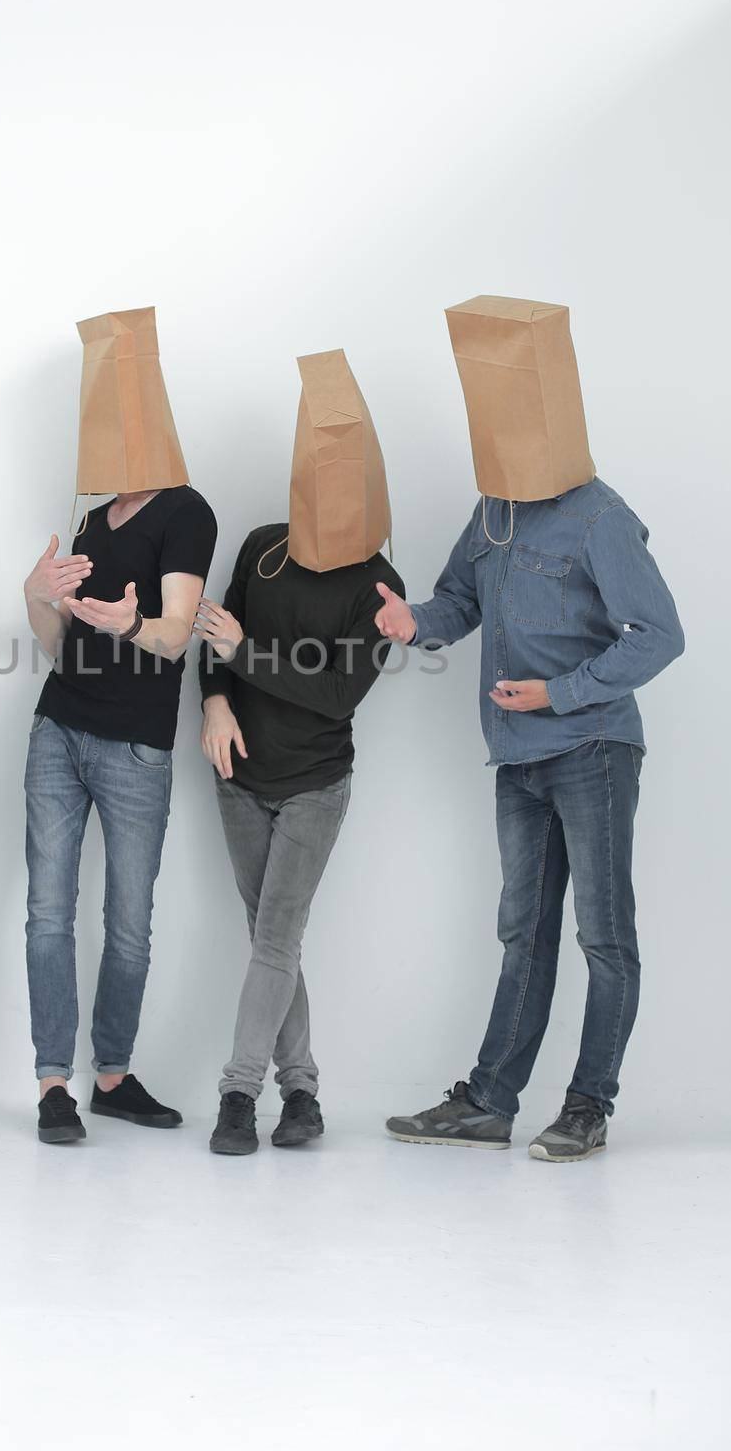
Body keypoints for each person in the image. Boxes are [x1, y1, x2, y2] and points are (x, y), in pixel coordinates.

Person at [381, 296, 684, 1162]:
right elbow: (457, 602)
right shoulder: (492, 511)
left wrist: (561, 693)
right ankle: (489, 1102)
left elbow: (661, 635)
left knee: (605, 934)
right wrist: (415, 624)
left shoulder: (600, 516)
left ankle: (588, 1106)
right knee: (524, 931)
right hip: (514, 758)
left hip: (591, 749)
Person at [195, 349, 401, 1155]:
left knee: (274, 942)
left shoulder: (378, 583)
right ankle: (304, 1095)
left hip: (315, 785)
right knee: (270, 947)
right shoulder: (261, 547)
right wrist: (214, 696)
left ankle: (238, 1097)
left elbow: (338, 692)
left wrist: (245, 653)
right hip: (237, 778)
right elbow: (211, 642)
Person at [23, 307, 217, 1144]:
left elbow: (176, 635)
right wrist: (39, 595)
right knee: (49, 911)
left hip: (137, 748)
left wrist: (126, 625)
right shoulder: (94, 517)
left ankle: (114, 1075)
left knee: (129, 923)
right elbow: (52, 644)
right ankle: (53, 1086)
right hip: (58, 733)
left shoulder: (187, 511)